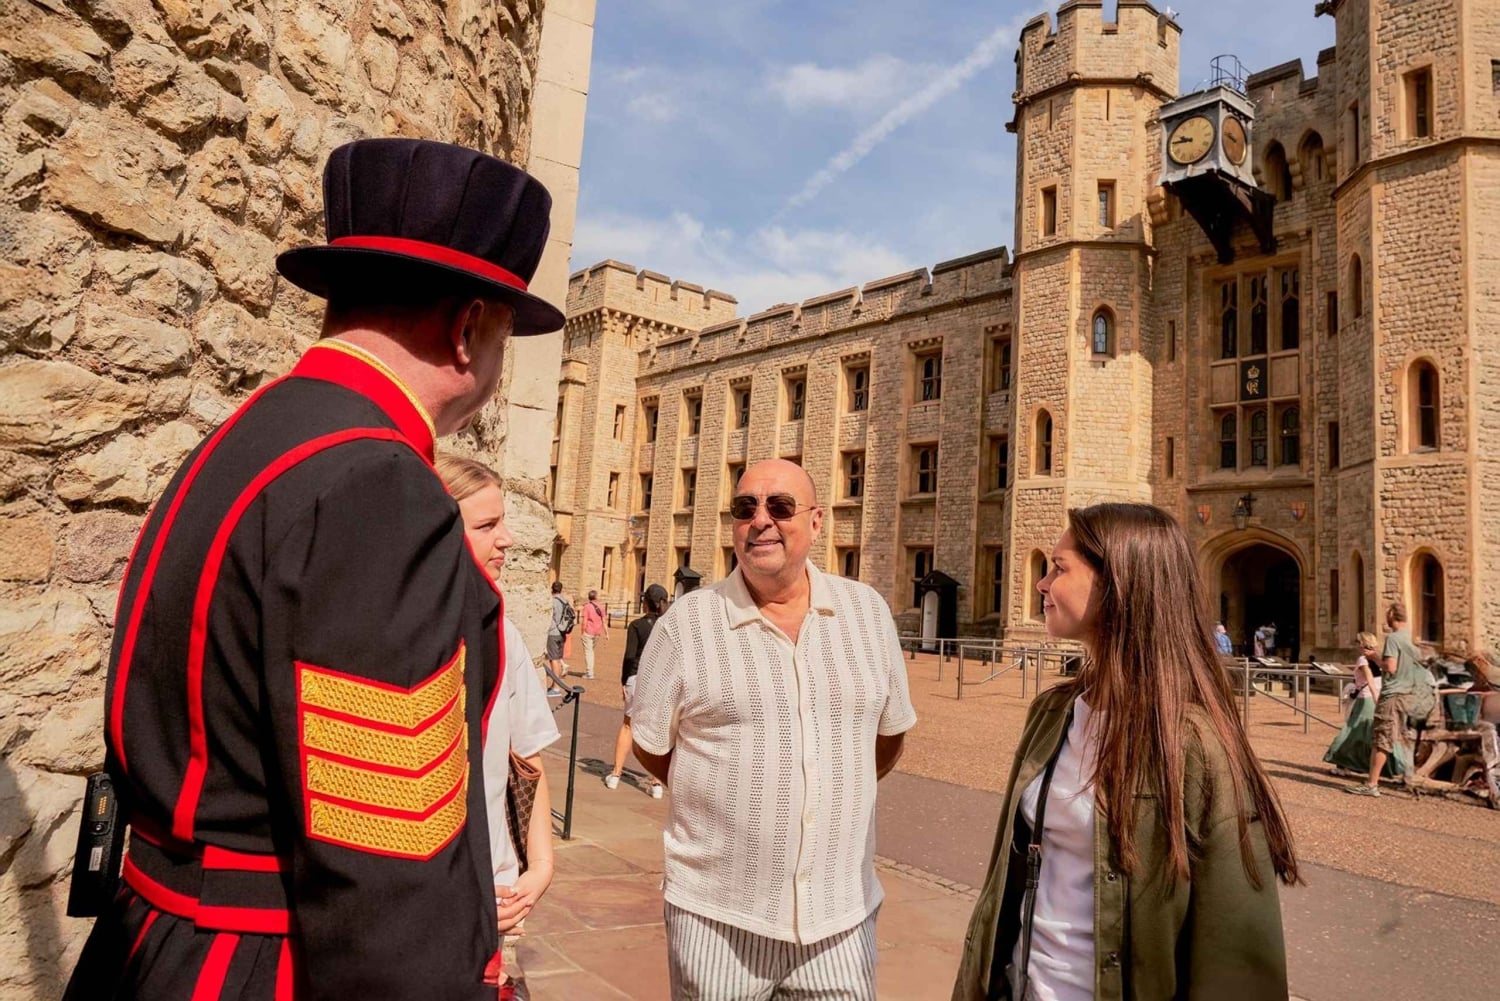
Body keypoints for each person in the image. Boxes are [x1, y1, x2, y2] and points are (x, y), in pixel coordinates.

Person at [65, 138, 566, 999]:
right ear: (466, 326)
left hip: (154, 939)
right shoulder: (379, 486)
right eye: (504, 331)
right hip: (265, 967)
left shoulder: (249, 436)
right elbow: (388, 870)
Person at [953, 503, 1298, 1001]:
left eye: (1059, 568)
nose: (1041, 584)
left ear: (1118, 582)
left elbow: (1239, 952)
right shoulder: (1052, 713)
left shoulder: (1196, 744)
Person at [631, 459, 916, 1001]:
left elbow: (886, 734)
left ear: (815, 521)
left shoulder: (868, 614)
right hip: (718, 918)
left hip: (841, 919)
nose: (761, 520)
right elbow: (652, 746)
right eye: (745, 509)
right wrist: (728, 792)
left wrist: (832, 779)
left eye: (780, 507)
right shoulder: (686, 625)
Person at [437, 455, 560, 993]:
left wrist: (540, 866)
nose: (508, 539)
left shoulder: (504, 635)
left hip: (494, 890)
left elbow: (526, 760)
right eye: (487, 526)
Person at [1348, 603, 1434, 797]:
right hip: (1410, 694)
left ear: (1393, 616)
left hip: (1393, 694)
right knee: (1403, 736)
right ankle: (1407, 777)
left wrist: (1375, 658)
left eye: (1387, 614)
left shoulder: (1394, 639)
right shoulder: (1413, 639)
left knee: (1382, 739)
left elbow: (1390, 666)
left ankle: (1372, 784)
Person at [603, 584, 668, 798]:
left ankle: (615, 775)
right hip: (660, 679)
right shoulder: (668, 625)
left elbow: (630, 655)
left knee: (628, 725)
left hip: (637, 676)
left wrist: (624, 680)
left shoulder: (637, 625)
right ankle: (657, 783)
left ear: (645, 602)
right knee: (657, 729)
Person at [1325, 632, 1407, 779]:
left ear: (1362, 643)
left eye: (1358, 642)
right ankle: (1398, 767)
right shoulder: (1381, 658)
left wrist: (1375, 697)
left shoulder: (1363, 659)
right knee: (1378, 733)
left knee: (1352, 731)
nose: (1356, 645)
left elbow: (1369, 678)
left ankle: (1343, 765)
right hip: (1380, 697)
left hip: (1366, 699)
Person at [545, 581, 571, 696]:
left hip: (553, 632)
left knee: (554, 660)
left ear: (552, 589)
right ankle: (555, 685)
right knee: (558, 658)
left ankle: (556, 688)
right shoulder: (564, 600)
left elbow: (550, 617)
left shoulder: (553, 601)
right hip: (562, 632)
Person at [581, 588, 608, 680]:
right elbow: (604, 621)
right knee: (591, 651)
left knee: (589, 652)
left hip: (588, 631)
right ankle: (590, 671)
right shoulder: (601, 607)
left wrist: (582, 631)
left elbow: (584, 620)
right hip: (597, 632)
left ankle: (590, 673)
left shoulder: (587, 606)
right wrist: (607, 633)